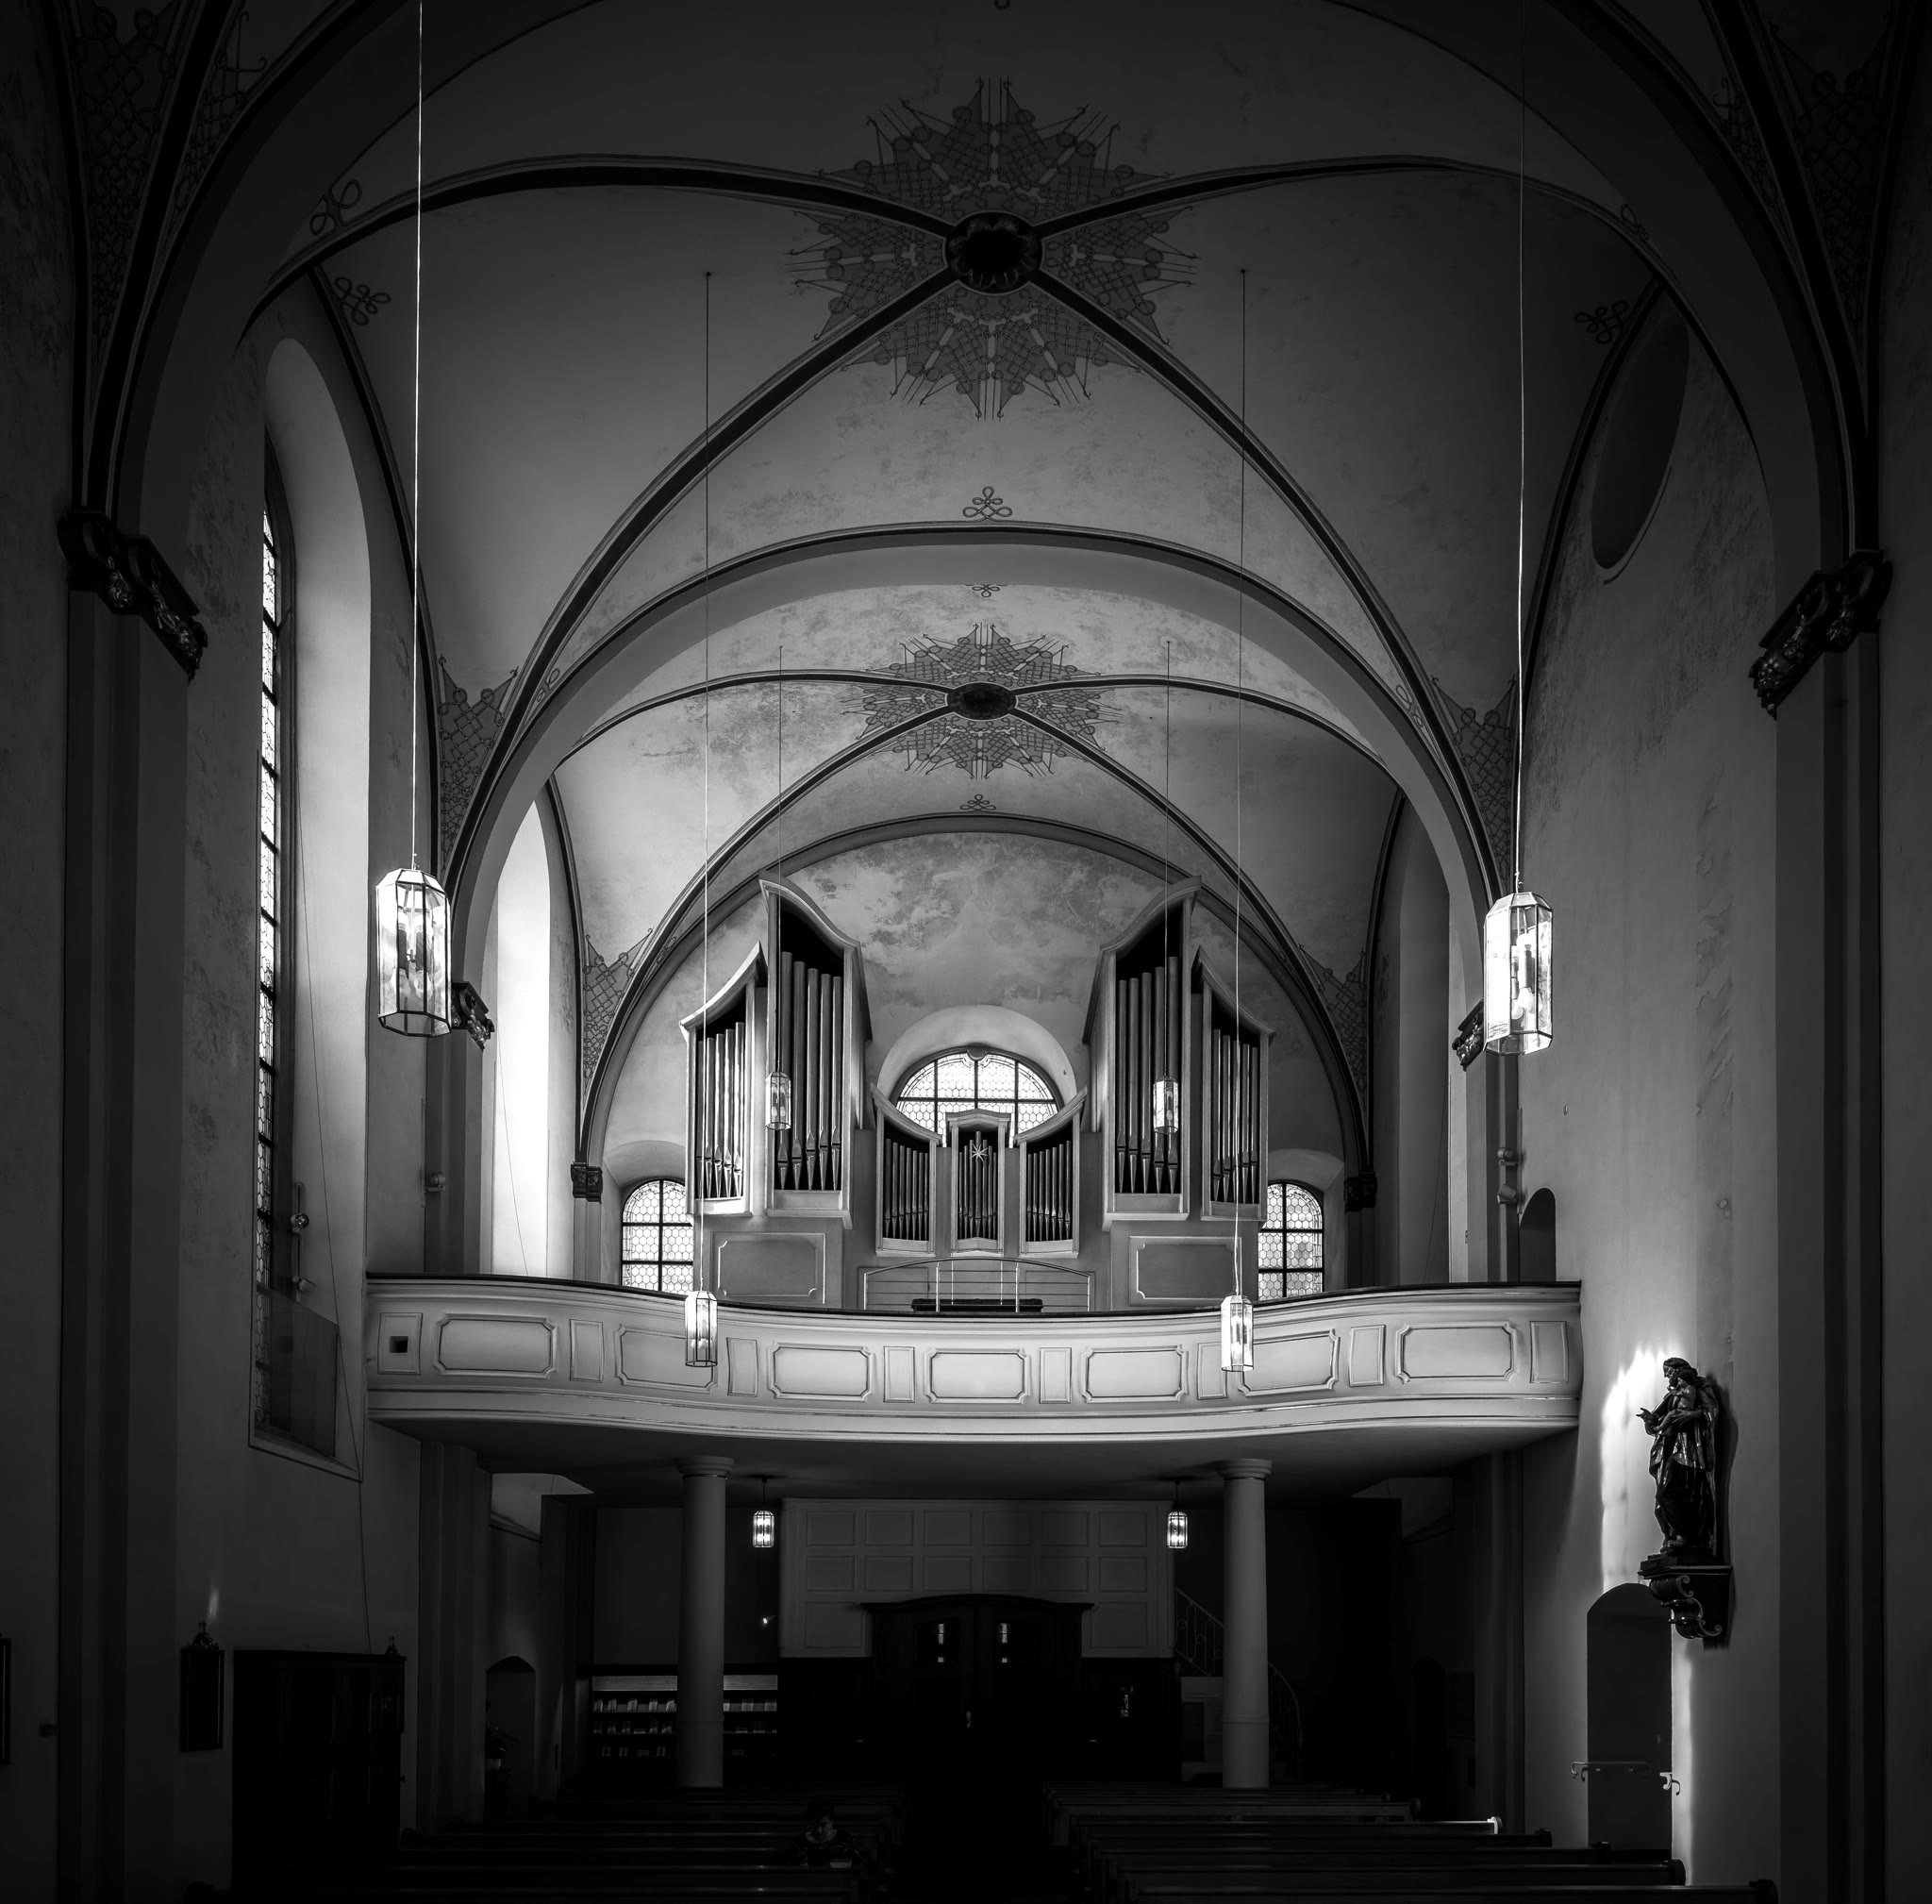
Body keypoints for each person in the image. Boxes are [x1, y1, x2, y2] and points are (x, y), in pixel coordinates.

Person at [1637, 1357, 1721, 1563]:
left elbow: (1711, 1411)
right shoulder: (1671, 1395)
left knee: (1675, 1491)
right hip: (1670, 1448)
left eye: (1668, 1371)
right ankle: (1674, 1537)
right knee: (1663, 1496)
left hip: (1689, 1450)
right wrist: (1650, 1420)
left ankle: (1689, 1538)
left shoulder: (1699, 1388)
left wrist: (1693, 1415)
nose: (1666, 1375)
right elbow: (1657, 1419)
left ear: (1679, 1370)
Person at [799, 1798, 857, 1869]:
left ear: (832, 1822)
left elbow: (857, 1865)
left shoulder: (844, 1839)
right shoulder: (800, 1842)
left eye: (823, 1825)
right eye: (814, 1825)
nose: (819, 1831)